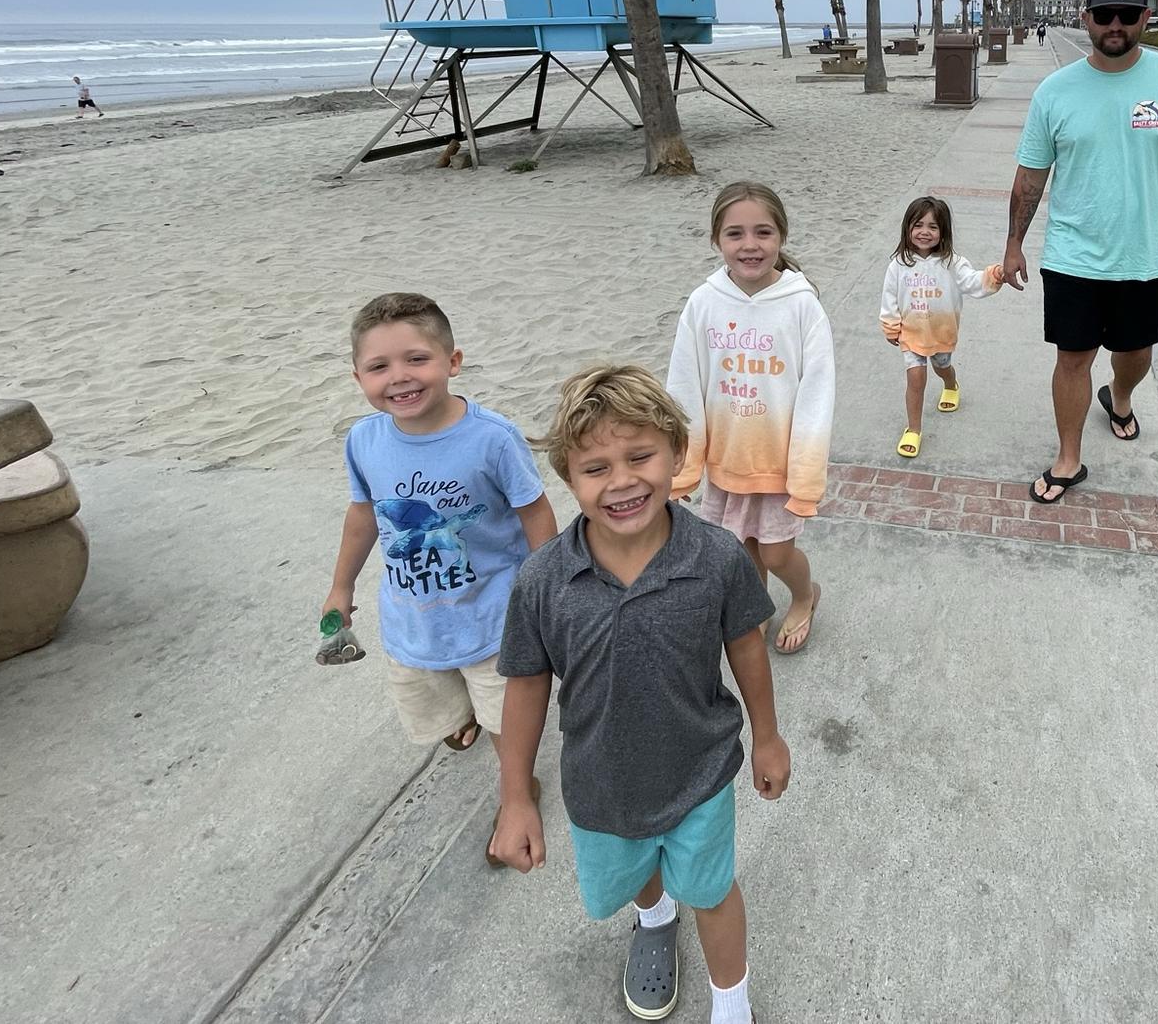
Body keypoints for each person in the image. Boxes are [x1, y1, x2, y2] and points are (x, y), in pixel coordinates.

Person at [493, 364, 788, 1024]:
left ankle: (732, 1003)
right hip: (601, 781)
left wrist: (767, 735)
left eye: (640, 455)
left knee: (711, 890)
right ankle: (655, 919)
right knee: (636, 871)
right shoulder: (543, 580)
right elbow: (526, 682)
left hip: (701, 768)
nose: (622, 481)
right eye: (595, 467)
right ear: (568, 478)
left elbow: (746, 642)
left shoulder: (716, 558)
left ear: (678, 453)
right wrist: (515, 795)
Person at [322, 292, 558, 860]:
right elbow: (363, 515)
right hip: (414, 618)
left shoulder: (492, 438)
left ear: (452, 361)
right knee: (435, 700)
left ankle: (517, 790)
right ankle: (464, 719)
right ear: (358, 377)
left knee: (506, 717)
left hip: (493, 615)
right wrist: (342, 585)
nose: (399, 378)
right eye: (379, 367)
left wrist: (552, 590)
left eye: (416, 360)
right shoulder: (365, 441)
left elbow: (534, 511)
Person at [1002, 0, 1158, 504]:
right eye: (1105, 15)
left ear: (1146, 17)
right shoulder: (1056, 91)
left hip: (1143, 254)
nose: (1116, 25)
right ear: (1087, 19)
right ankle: (1068, 457)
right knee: (1071, 357)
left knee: (1136, 351)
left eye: (1128, 14)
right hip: (1072, 253)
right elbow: (1031, 175)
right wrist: (1013, 243)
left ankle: (1120, 397)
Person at [667, 181, 833, 655]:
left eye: (763, 232)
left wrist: (805, 476)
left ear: (781, 236)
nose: (750, 245)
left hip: (779, 461)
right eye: (735, 234)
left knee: (777, 551)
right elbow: (684, 386)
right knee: (740, 551)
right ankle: (756, 608)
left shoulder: (802, 306)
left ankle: (804, 595)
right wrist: (683, 469)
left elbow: (817, 394)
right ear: (717, 240)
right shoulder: (704, 302)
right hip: (727, 456)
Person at [879, 195, 1003, 459]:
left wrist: (994, 275)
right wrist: (891, 324)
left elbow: (972, 282)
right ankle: (913, 428)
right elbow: (889, 296)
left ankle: (951, 385)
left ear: (943, 231)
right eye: (918, 225)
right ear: (907, 228)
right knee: (915, 378)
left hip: (941, 331)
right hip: (911, 333)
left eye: (933, 227)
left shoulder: (953, 263)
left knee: (942, 366)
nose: (925, 232)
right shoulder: (899, 265)